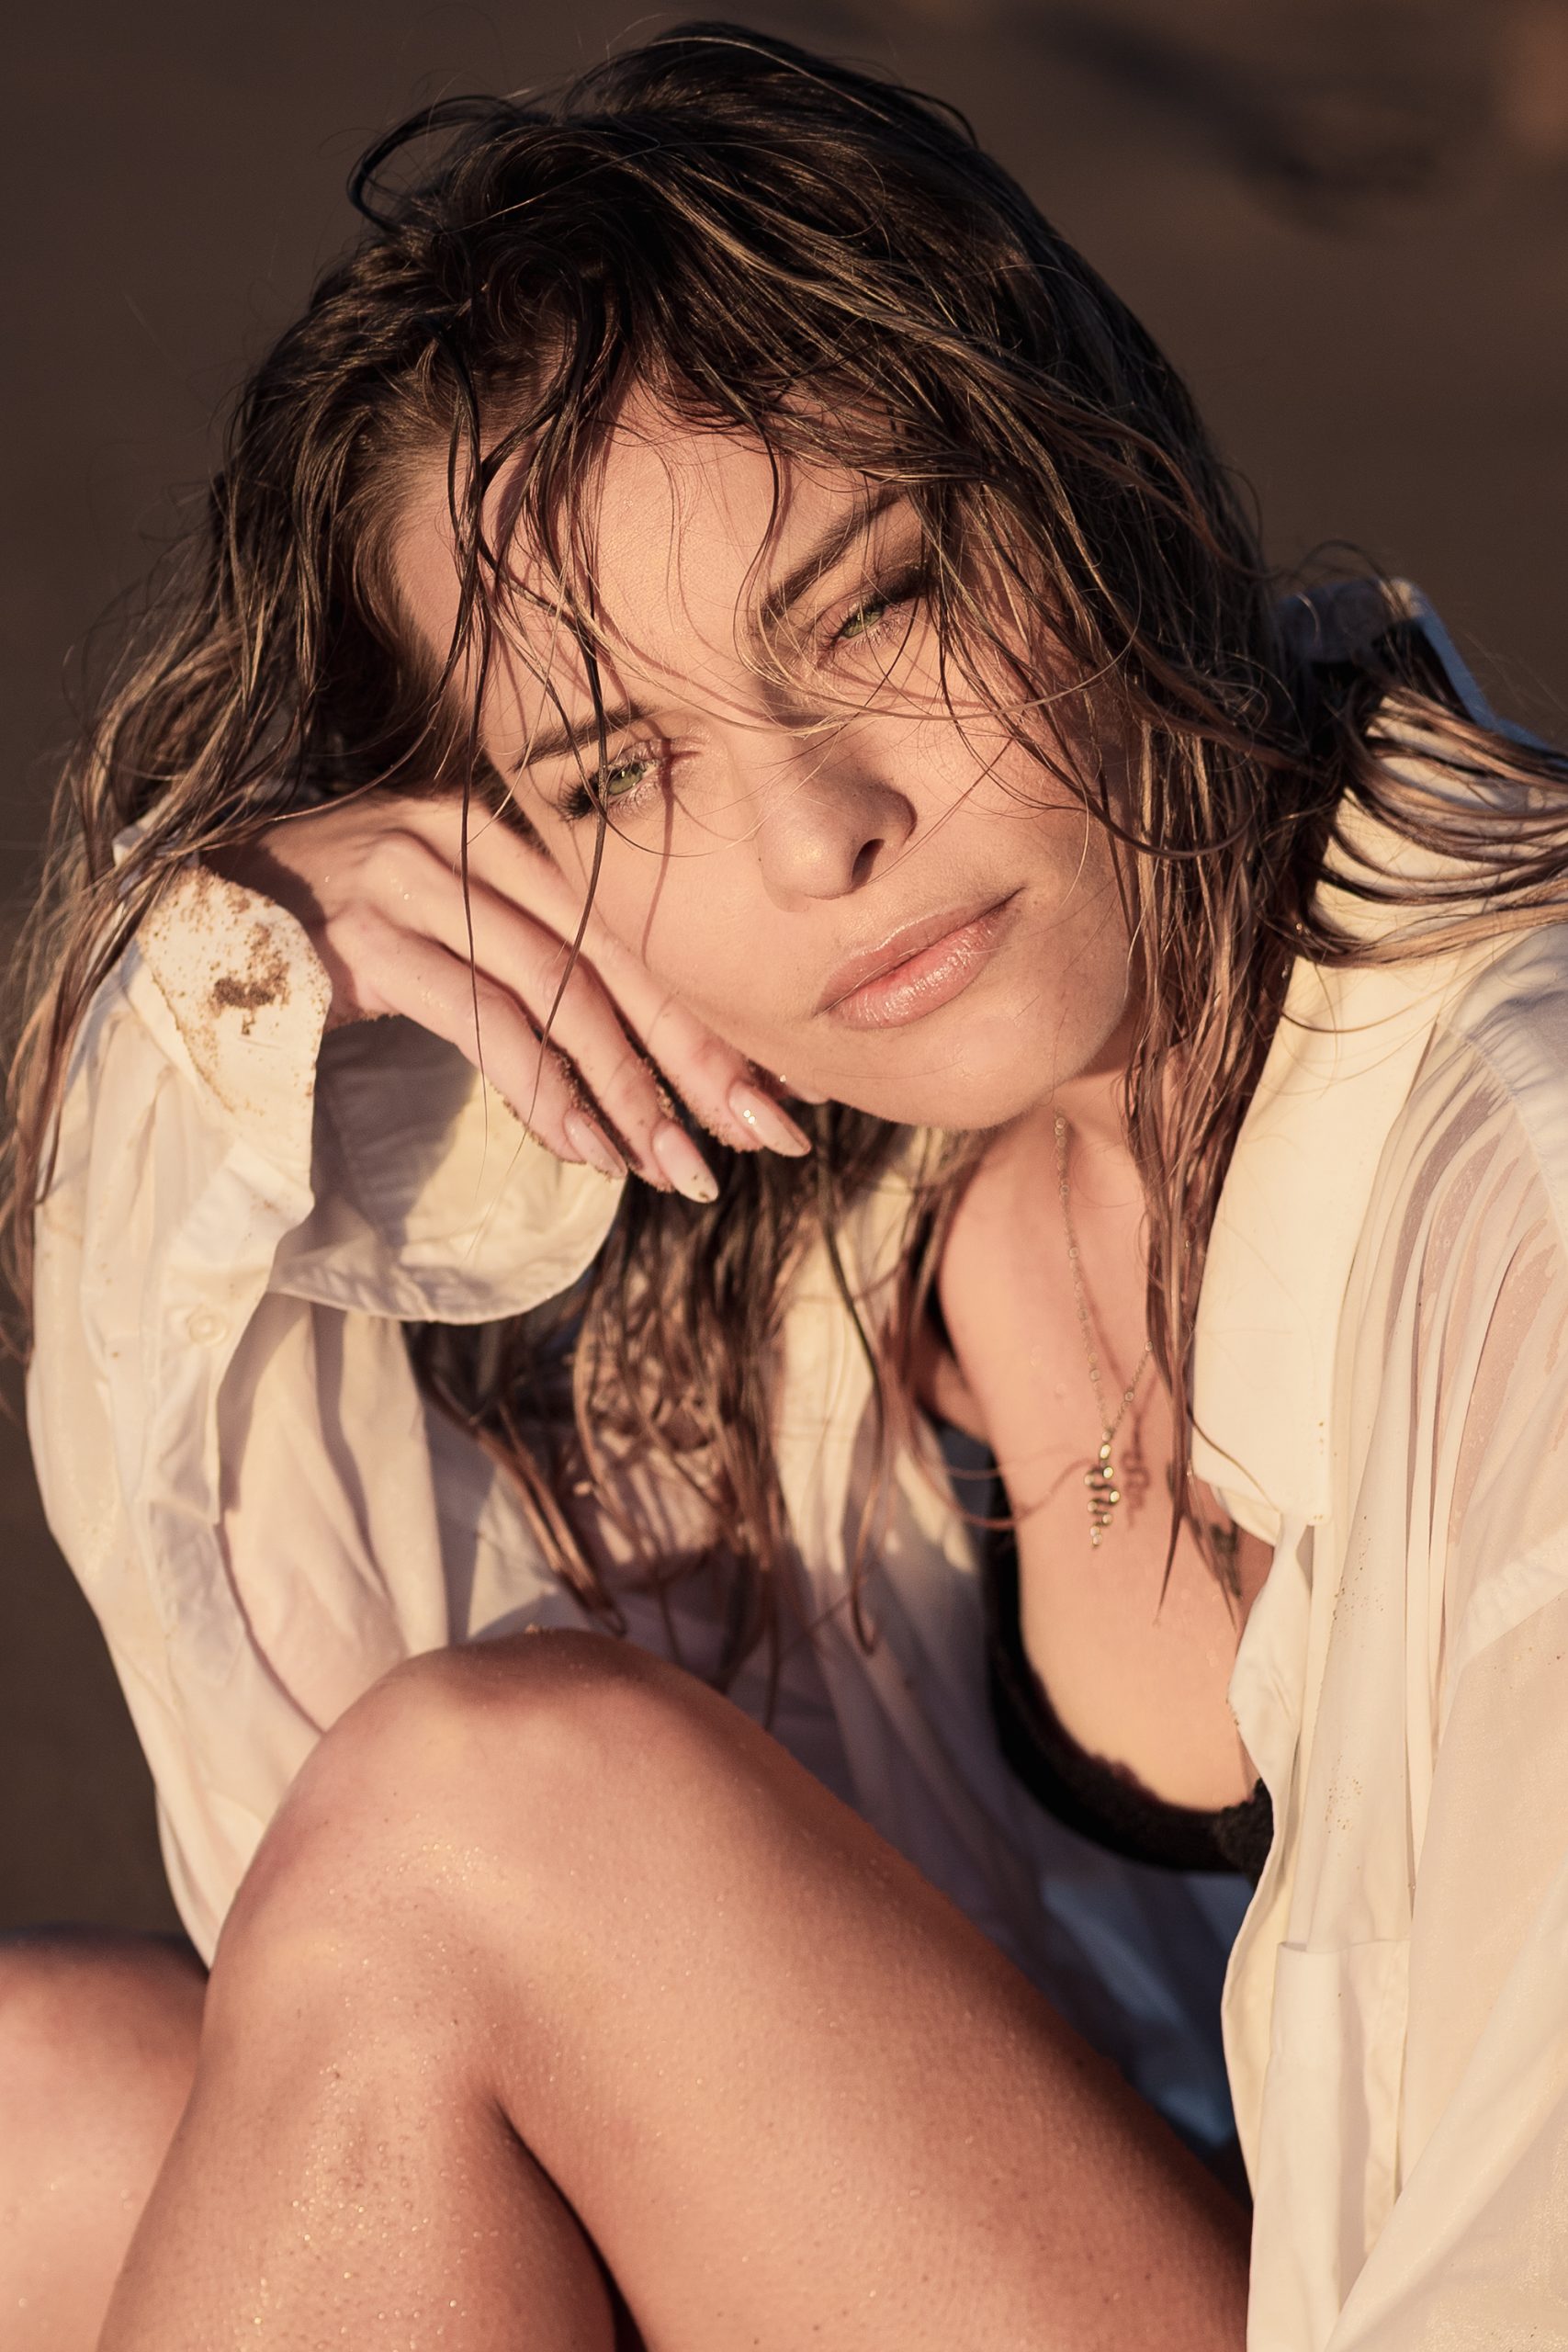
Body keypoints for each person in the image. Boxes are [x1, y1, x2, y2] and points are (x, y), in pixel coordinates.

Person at [4, 22, 1566, 2349]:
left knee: (490, 1815)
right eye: (611, 772)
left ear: (1096, 482)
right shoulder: (834, 1238)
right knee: (49, 2101)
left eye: (872, 603)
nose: (817, 832)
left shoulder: (1524, 1182)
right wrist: (237, 1008)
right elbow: (292, 1853)